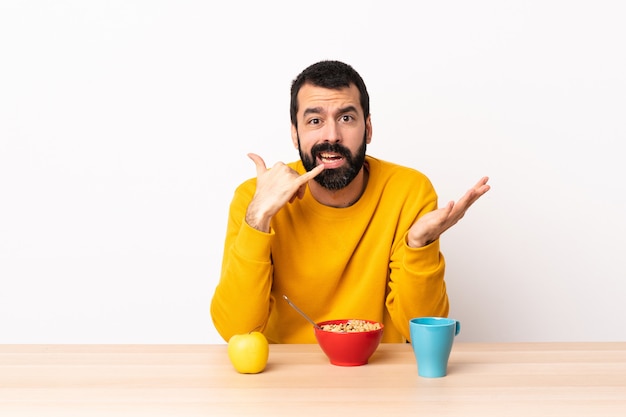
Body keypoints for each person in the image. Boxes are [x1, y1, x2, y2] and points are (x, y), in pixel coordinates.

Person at [210, 60, 490, 344]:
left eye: (346, 118)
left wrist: (419, 246)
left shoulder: (409, 192)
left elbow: (421, 334)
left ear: (368, 128)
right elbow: (236, 329)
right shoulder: (255, 198)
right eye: (315, 121)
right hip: (285, 379)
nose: (331, 135)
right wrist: (258, 218)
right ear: (295, 133)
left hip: (379, 375)